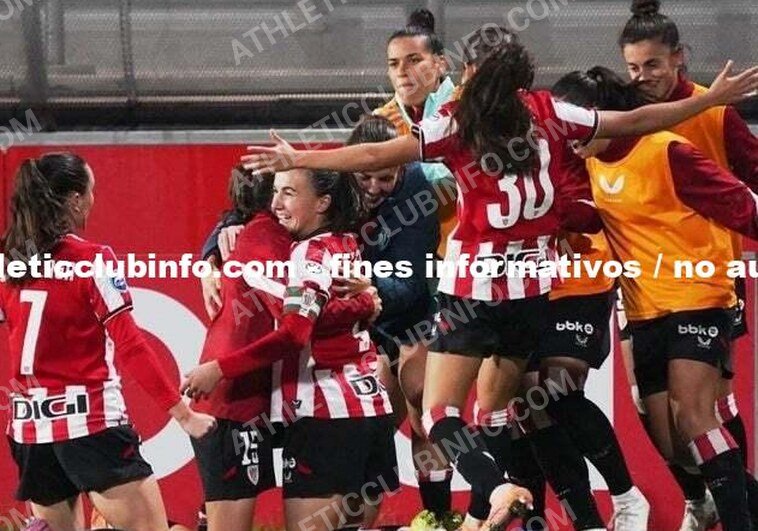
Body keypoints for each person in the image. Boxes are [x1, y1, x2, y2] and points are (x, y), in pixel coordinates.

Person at [240, 25, 758, 528]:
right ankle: (539, 515)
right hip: (531, 290)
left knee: (440, 412)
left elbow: (377, 153)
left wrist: (299, 156)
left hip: (474, 287)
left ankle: (495, 489)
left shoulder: (459, 121)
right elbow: (635, 120)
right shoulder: (550, 111)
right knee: (496, 411)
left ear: (469, 73)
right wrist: (708, 100)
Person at [554, 65, 758, 531]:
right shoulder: (589, 161)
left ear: (601, 116)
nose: (567, 137)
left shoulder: (667, 151)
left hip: (698, 295)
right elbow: (588, 215)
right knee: (676, 446)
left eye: (574, 125)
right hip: (643, 309)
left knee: (695, 416)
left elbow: (742, 205)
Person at [0, 153, 216, 531]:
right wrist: (185, 416)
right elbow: (131, 345)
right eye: (91, 190)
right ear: (75, 200)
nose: (93, 200)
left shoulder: (10, 262)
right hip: (91, 425)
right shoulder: (92, 260)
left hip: (30, 430)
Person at [183, 169, 398, 531]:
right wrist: (365, 301)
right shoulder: (278, 237)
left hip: (299, 403)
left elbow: (297, 325)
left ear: (321, 202)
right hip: (237, 404)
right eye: (276, 193)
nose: (278, 203)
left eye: (287, 193)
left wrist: (366, 297)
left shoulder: (302, 243)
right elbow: (299, 316)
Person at [618, 1, 758, 528]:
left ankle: (737, 509)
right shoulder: (625, 118)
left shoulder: (715, 113)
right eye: (633, 67)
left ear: (679, 57)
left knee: (710, 410)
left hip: (704, 281)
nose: (643, 77)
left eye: (653, 64)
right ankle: (701, 498)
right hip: (637, 286)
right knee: (649, 407)